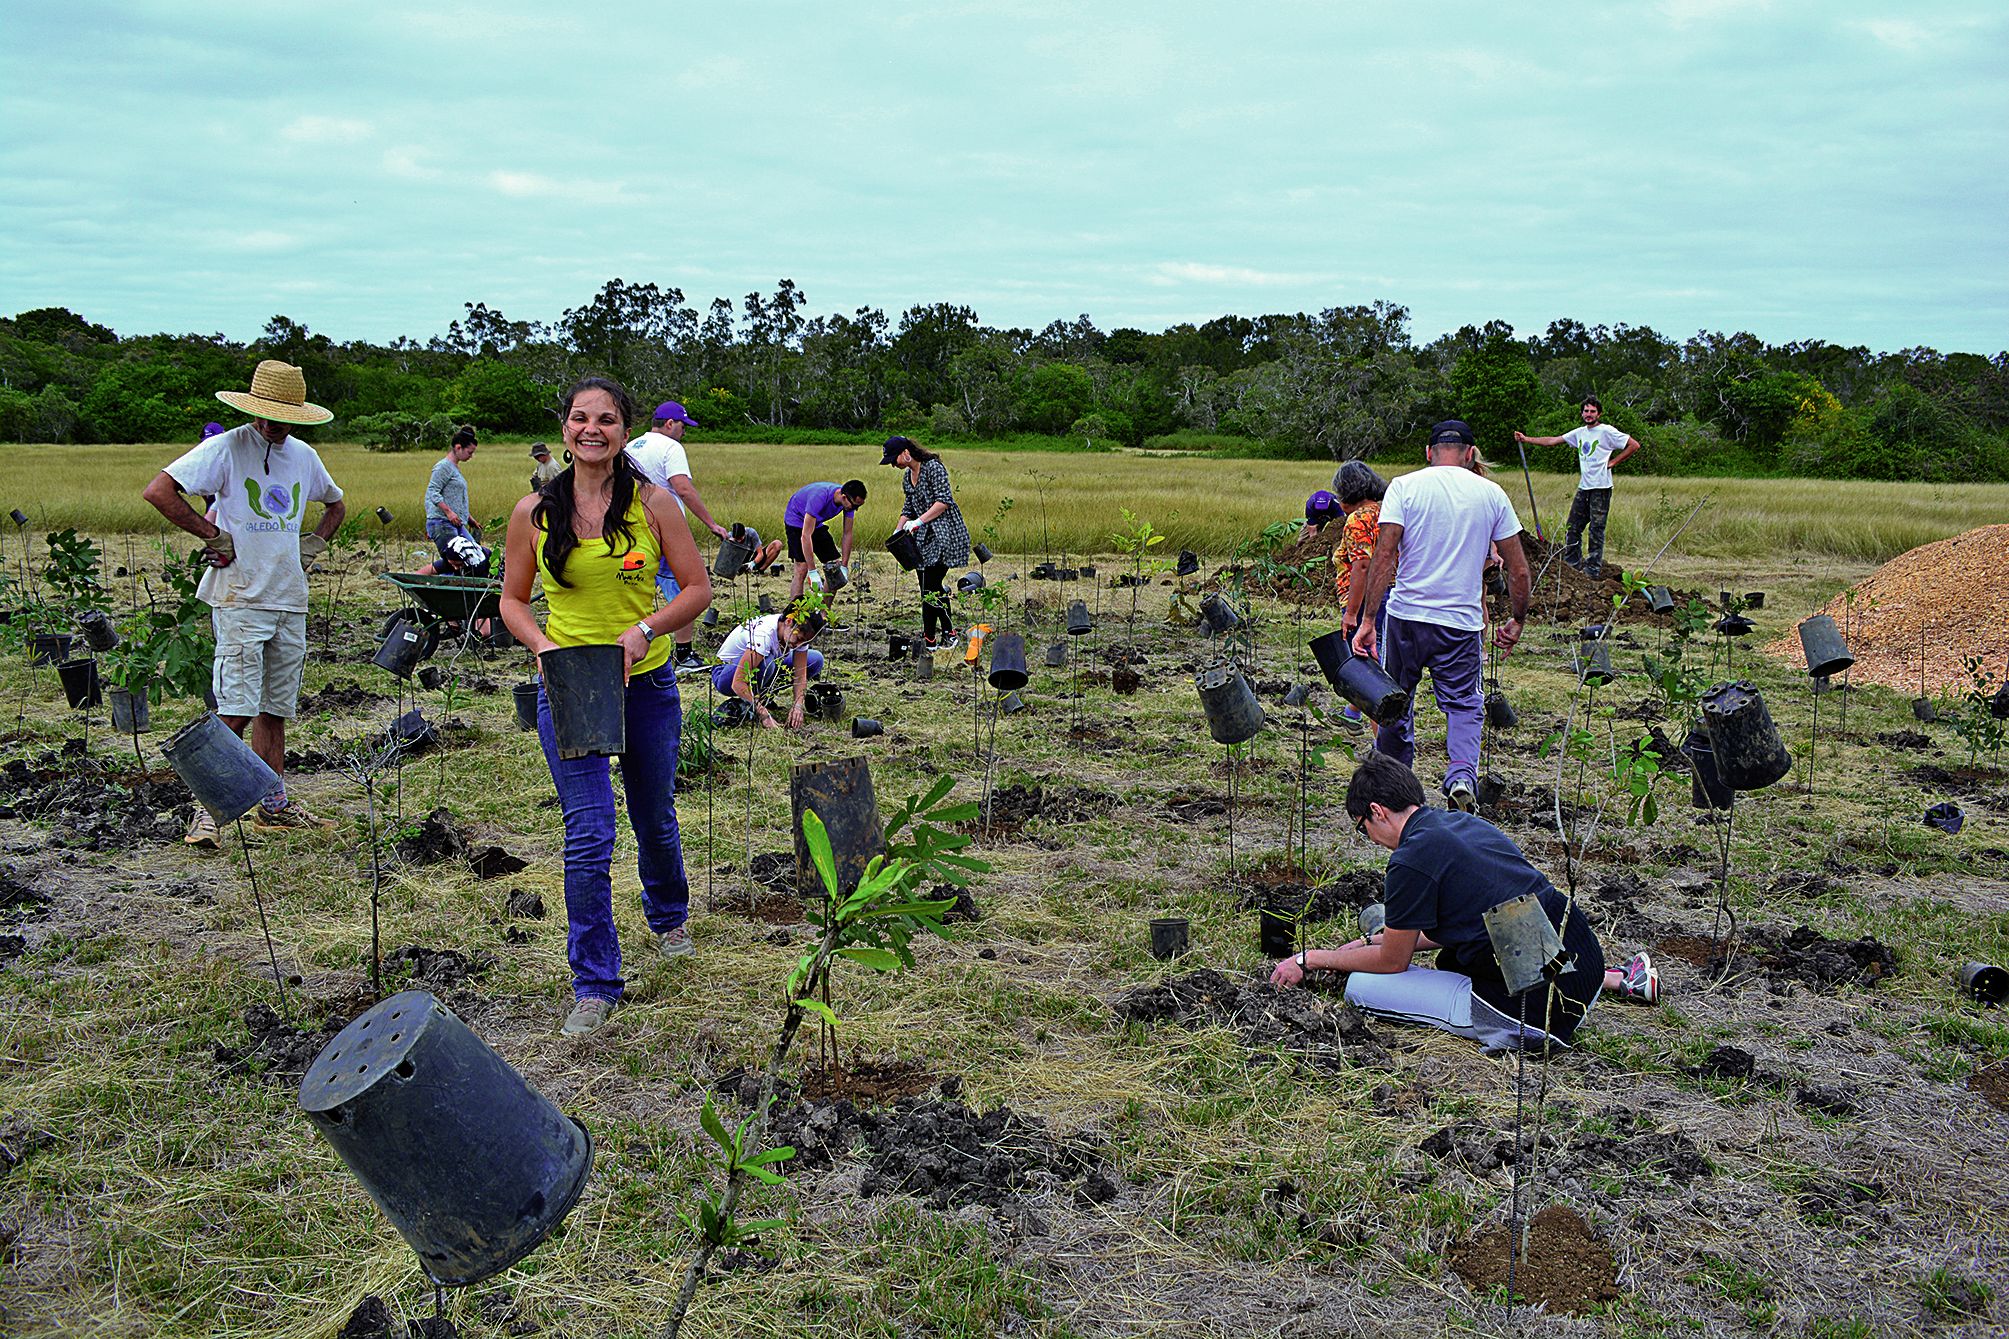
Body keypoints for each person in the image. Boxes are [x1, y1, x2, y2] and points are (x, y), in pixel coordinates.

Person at [499, 376, 712, 1039]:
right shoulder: (533, 512)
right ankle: (594, 983)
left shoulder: (653, 504)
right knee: (589, 831)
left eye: (607, 419)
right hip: (570, 687)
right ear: (565, 429)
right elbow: (512, 600)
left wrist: (645, 628)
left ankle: (669, 917)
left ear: (624, 431)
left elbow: (697, 589)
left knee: (653, 815)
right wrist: (540, 645)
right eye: (580, 418)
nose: (592, 429)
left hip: (644, 684)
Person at [1270, 753, 1659, 1050]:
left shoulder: (1410, 859)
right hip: (1581, 968)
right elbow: (1480, 918)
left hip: (1539, 1016)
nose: (1369, 838)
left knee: (1362, 987)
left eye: (1362, 828)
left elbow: (1392, 962)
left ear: (1376, 812)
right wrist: (1370, 941)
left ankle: (1506, 1017)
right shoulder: (1464, 824)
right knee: (1459, 952)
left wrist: (1313, 958)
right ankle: (1616, 978)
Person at [141, 360, 346, 845]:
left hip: (288, 599)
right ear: (254, 409)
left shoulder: (304, 456)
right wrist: (212, 534)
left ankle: (273, 806)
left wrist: (312, 546)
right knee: (235, 706)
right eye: (269, 415)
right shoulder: (226, 448)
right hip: (239, 597)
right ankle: (206, 813)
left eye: (285, 418)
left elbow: (336, 504)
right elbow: (159, 491)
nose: (275, 425)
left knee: (275, 707)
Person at [1349, 420, 1529, 812]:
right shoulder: (1492, 494)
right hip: (1461, 623)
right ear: (1470, 454)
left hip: (1406, 618)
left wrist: (1368, 620)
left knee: (1395, 702)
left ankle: (1394, 789)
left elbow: (1384, 555)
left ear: (1429, 452)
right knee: (1464, 705)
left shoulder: (1404, 487)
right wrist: (1517, 618)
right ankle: (1461, 777)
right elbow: (1517, 568)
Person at [627, 400, 729, 673]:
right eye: (683, 426)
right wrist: (711, 524)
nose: (684, 432)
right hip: (665, 532)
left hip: (633, 533)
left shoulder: (631, 446)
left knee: (634, 588)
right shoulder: (671, 447)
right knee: (688, 590)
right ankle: (683, 655)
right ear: (670, 424)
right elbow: (683, 488)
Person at [1514, 397, 1641, 580]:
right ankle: (1572, 565)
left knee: (1596, 530)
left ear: (1599, 414)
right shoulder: (1579, 433)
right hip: (1584, 487)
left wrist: (1613, 462)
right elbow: (1552, 441)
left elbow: (1634, 445)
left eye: (1592, 411)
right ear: (1582, 413)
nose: (1589, 414)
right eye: (1586, 411)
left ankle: (1592, 570)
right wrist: (1526, 439)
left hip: (1601, 488)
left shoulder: (1607, 431)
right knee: (1573, 527)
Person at [882, 435, 969, 650]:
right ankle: (939, 636)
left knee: (930, 585)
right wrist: (899, 528)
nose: (893, 465)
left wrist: (919, 521)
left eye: (894, 459)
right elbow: (908, 507)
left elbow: (944, 501)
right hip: (924, 538)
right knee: (927, 586)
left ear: (906, 452)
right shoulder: (907, 477)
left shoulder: (933, 468)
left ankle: (937, 637)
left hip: (945, 533)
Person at [1332, 460, 1388, 728]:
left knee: (1371, 673)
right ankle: (1352, 712)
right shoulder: (1387, 512)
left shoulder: (1357, 520)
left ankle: (1382, 743)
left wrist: (1352, 613)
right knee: (1378, 659)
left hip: (1366, 601)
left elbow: (1362, 566)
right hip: (1392, 594)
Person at [709, 604, 828, 729]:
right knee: (767, 662)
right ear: (788, 621)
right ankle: (751, 701)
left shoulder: (797, 633)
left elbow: (800, 676)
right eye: (798, 639)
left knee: (815, 660)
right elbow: (738, 683)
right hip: (726, 674)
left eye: (804, 642)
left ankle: (762, 696)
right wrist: (763, 714)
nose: (799, 645)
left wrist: (797, 706)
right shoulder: (764, 635)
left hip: (760, 665)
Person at [770, 480, 867, 603]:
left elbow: (847, 533)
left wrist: (844, 565)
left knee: (834, 567)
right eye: (855, 506)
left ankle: (824, 610)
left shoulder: (849, 502)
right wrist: (812, 571)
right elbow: (805, 536)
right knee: (802, 568)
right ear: (844, 497)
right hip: (796, 520)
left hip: (816, 522)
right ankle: (795, 611)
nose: (855, 509)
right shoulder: (819, 497)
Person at [417, 425, 479, 577]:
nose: (471, 456)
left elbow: (454, 498)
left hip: (456, 523)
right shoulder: (443, 467)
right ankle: (422, 578)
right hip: (442, 522)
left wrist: (469, 518)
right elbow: (432, 492)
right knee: (454, 561)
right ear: (458, 448)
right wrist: (448, 512)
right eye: (469, 452)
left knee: (473, 554)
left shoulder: (454, 468)